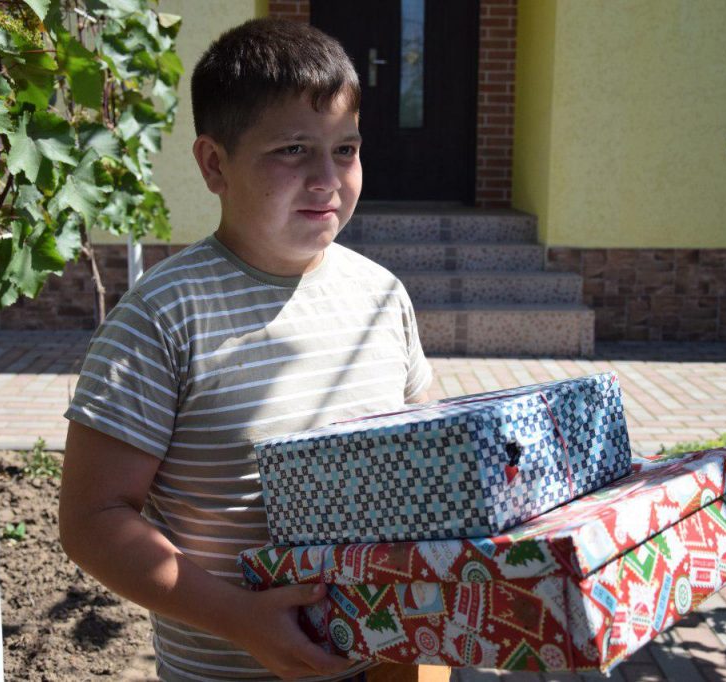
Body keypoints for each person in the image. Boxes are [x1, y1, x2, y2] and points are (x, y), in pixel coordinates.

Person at [58, 17, 443, 682]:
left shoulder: (382, 294)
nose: (327, 178)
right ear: (215, 164)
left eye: (345, 149)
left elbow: (430, 447)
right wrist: (239, 617)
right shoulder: (162, 318)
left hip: (391, 661)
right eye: (293, 150)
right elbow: (93, 519)